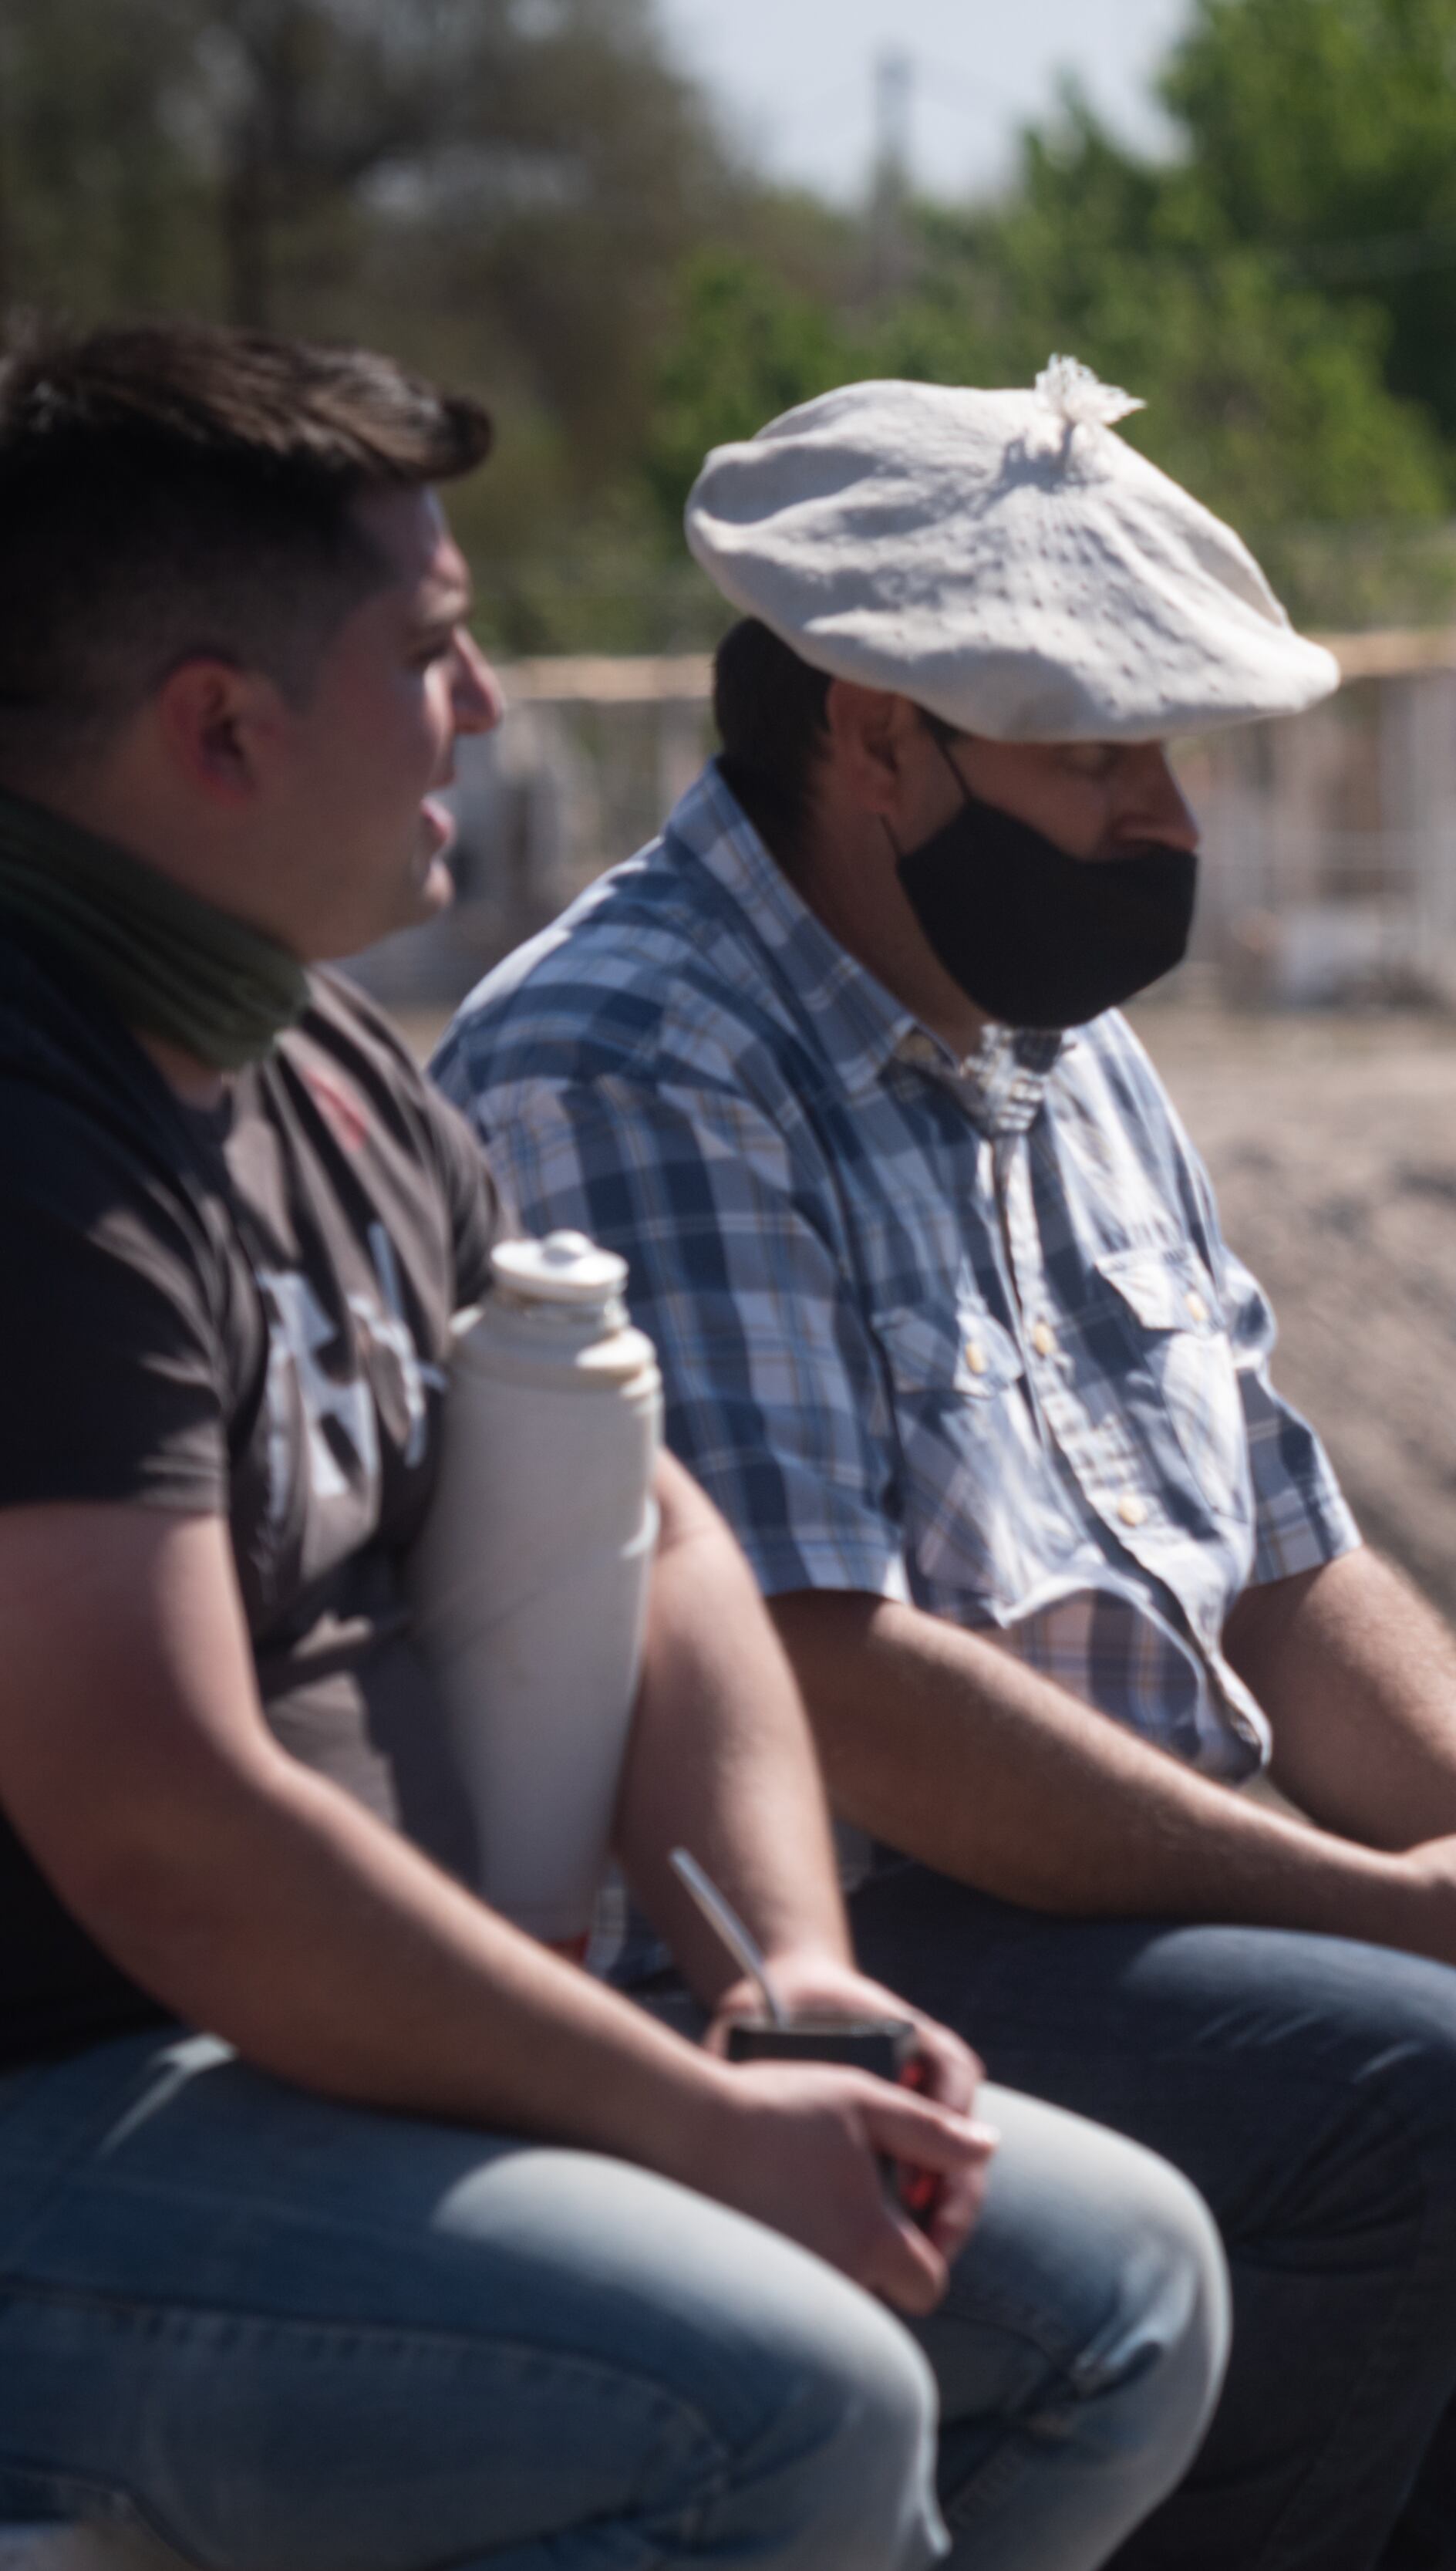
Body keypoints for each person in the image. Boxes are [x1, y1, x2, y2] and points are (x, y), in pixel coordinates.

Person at [433, 361, 1456, 2571]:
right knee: (1431, 2095)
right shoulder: (629, 1057)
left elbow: (1278, 1560)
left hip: (1137, 1908)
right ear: (873, 734)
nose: (1170, 818)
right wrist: (1382, 1914)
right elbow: (818, 1675)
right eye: (1099, 756)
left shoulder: (1063, 1048)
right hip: (814, 1964)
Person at [0, 321, 1228, 2569]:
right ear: (217, 724)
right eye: (437, 653)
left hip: (320, 2052)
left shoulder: (316, 1072)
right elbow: (158, 1822)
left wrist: (790, 1982)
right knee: (786, 2402)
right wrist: (679, 2115)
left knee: (1114, 2286)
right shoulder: (41, 1127)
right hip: (79, 2105)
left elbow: (650, 1530)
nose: (482, 711)